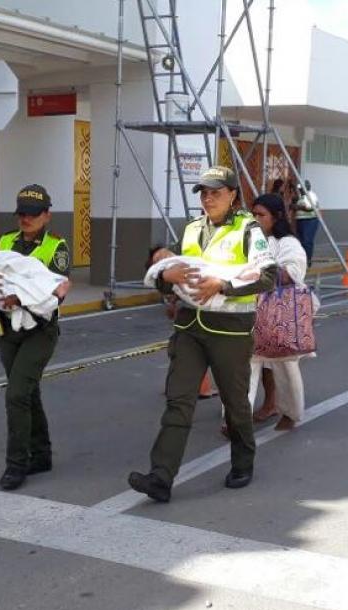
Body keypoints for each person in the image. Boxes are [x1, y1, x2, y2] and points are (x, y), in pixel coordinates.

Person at [128, 166, 277, 503]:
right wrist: (166, 274)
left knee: (235, 404)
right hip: (189, 328)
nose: (208, 198)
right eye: (204, 193)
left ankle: (243, 461)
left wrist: (222, 285)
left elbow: (269, 277)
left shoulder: (247, 229)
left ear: (232, 195)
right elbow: (175, 274)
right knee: (179, 401)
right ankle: (160, 477)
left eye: (216, 192)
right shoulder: (192, 229)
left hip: (231, 331)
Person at [0, 184, 72, 491]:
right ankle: (42, 455)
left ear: (47, 215)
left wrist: (22, 299)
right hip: (6, 329)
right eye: (22, 213)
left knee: (16, 395)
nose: (26, 219)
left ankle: (17, 465)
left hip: (39, 330)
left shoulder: (56, 247)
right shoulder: (5, 241)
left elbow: (55, 291)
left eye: (33, 213)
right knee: (27, 392)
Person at [247, 192, 311, 431]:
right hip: (253, 313)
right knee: (249, 365)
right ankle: (235, 418)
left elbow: (293, 273)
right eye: (253, 214)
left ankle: (290, 413)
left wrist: (260, 273)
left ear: (276, 216)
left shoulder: (289, 244)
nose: (255, 219)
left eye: (260, 214)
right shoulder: (253, 241)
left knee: (284, 367)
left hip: (282, 314)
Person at [294, 180, 320, 263]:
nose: (300, 190)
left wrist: (297, 206)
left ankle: (307, 259)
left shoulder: (311, 195)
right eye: (299, 189)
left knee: (307, 241)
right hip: (301, 220)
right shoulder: (301, 196)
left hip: (310, 220)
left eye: (301, 188)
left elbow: (309, 207)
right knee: (300, 241)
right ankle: (301, 259)